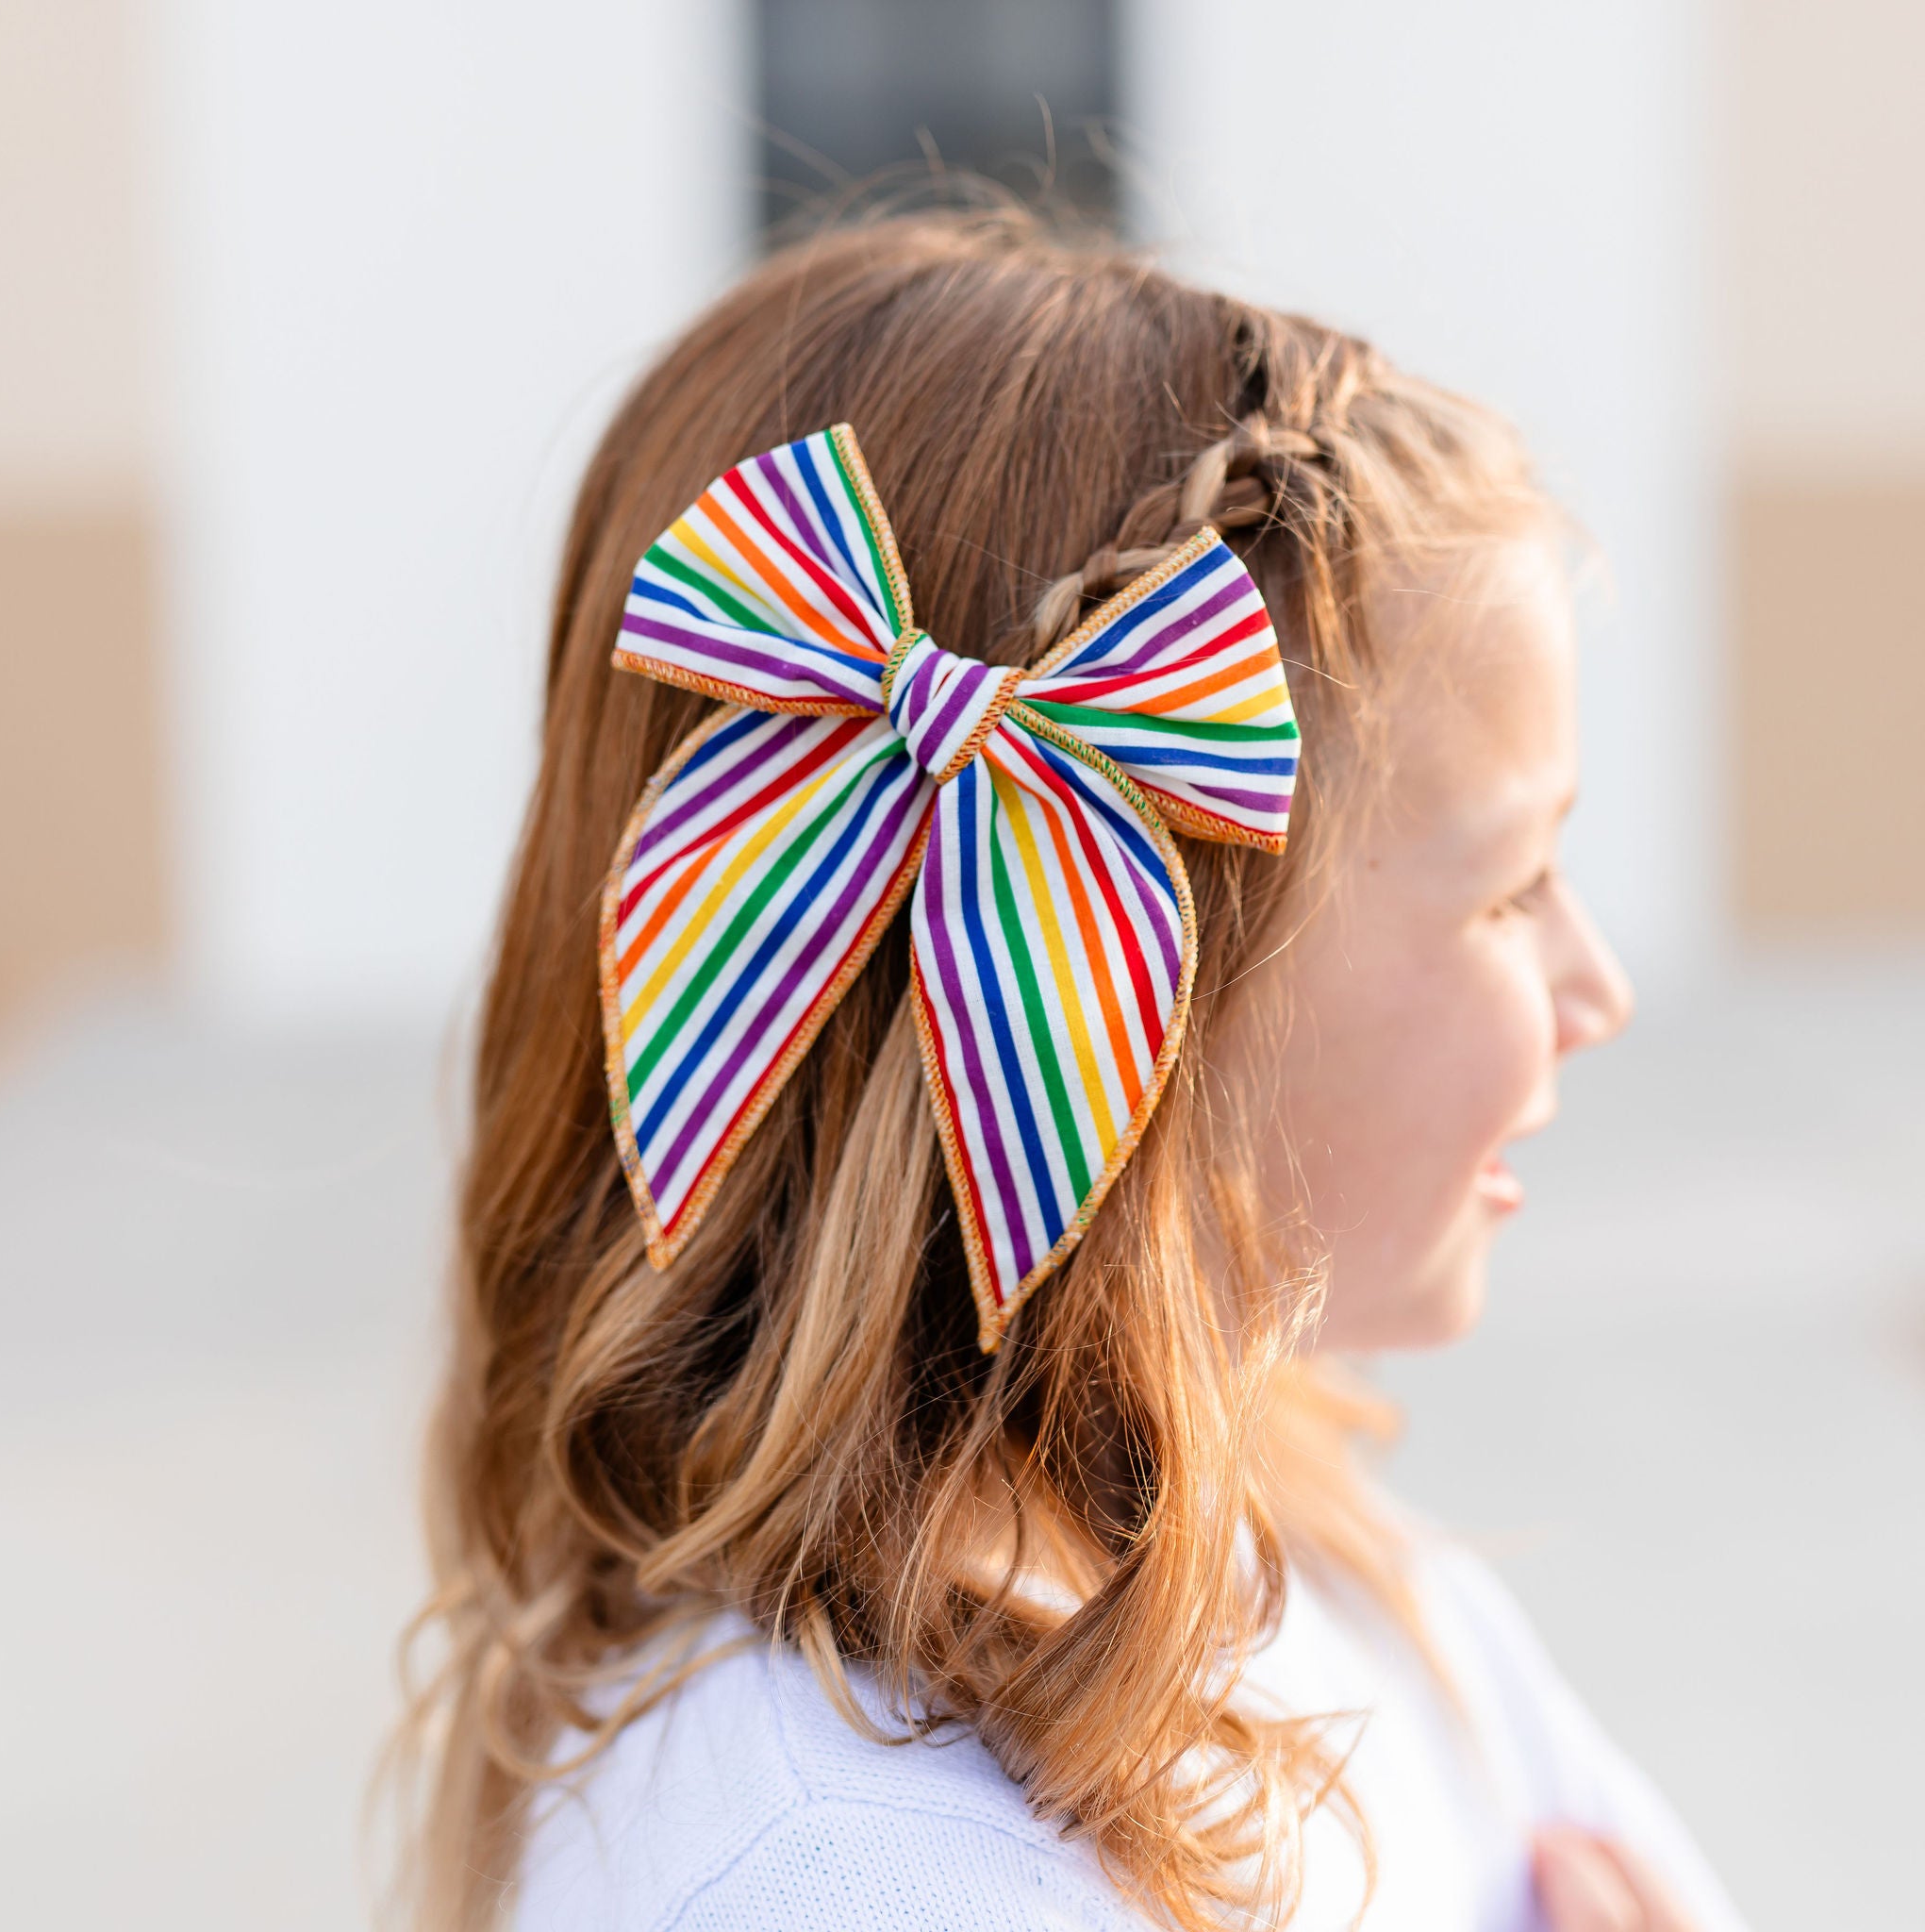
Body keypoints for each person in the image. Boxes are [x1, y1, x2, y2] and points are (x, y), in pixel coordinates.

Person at [398, 209, 1750, 1932]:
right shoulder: (849, 1878)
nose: (1596, 985)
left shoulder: (1334, 1578)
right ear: (1116, 993)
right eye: (1508, 886)